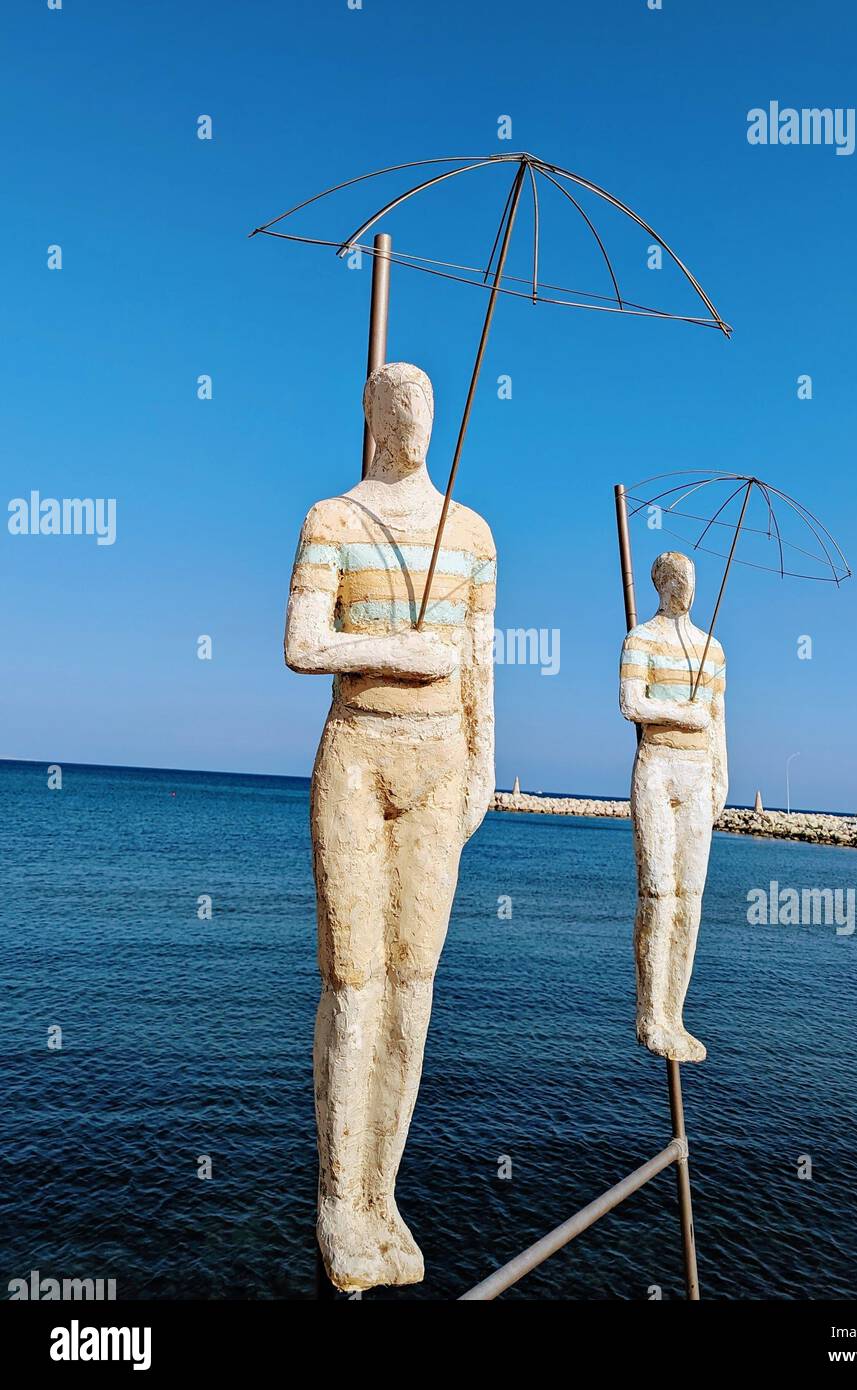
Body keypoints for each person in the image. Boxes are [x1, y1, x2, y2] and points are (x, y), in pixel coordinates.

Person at [284, 361, 495, 1289]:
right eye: (391, 402)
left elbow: (483, 665)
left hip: (440, 763)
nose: (408, 416)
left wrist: (483, 766)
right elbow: (303, 645)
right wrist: (397, 650)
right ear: (368, 413)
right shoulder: (331, 517)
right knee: (355, 985)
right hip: (358, 754)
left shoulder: (475, 534)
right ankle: (339, 1198)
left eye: (421, 404)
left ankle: (382, 1192)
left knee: (414, 989)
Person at [619, 551, 727, 1063]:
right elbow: (631, 704)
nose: (684, 587)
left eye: (690, 580)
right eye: (675, 579)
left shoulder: (714, 650)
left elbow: (720, 721)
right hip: (658, 767)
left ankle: (675, 1014)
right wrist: (684, 713)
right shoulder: (641, 639)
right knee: (659, 893)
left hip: (698, 774)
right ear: (659, 584)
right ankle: (650, 1014)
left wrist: (722, 781)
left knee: (691, 899)